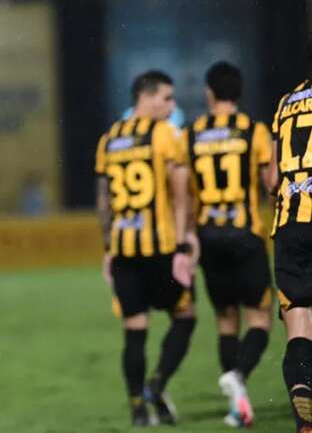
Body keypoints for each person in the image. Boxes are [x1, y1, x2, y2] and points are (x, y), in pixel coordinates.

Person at [95, 70, 197, 427]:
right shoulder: (167, 136)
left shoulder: (109, 139)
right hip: (164, 249)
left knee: (134, 330)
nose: (171, 106)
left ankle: (138, 407)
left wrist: (108, 246)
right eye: (167, 98)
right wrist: (186, 240)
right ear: (147, 96)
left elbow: (104, 200)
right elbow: (181, 193)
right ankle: (157, 383)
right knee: (185, 317)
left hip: (124, 250)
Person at [181, 61, 273, 428]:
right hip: (245, 233)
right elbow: (272, 183)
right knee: (261, 318)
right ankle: (238, 378)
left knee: (225, 320)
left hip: (209, 235)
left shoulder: (192, 133)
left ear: (209, 92)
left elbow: (185, 190)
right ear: (239, 93)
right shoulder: (254, 131)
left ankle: (238, 406)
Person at [269, 37, 312, 433]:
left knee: (299, 324)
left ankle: (304, 409)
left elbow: (272, 174)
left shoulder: (286, 102)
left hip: (290, 223)